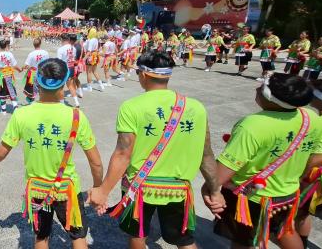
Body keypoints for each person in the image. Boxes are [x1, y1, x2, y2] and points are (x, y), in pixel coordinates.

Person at [87, 51, 223, 249]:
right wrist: (215, 189)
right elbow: (207, 154)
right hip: (178, 190)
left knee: (138, 234)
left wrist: (103, 190)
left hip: (139, 187)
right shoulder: (196, 107)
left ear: (142, 74)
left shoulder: (131, 107)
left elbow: (123, 153)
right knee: (184, 240)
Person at [0, 58, 103, 249]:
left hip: (37, 189)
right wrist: (98, 186)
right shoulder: (76, 116)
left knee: (41, 237)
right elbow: (96, 162)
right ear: (66, 82)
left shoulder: (21, 114)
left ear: (36, 82)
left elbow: (2, 150)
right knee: (78, 236)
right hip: (67, 190)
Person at [209, 73, 322, 249]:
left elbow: (220, 175)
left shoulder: (253, 125)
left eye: (262, 87)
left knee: (244, 241)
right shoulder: (311, 117)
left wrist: (209, 189)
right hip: (288, 193)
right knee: (286, 231)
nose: (256, 89)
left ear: (272, 98)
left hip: (252, 199)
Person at [296, 78, 322, 248]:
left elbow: (320, 157)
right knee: (306, 211)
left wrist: (300, 176)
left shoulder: (321, 123)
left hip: (318, 176)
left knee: (300, 211)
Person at [0, 39, 22, 114]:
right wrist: (19, 70)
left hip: (0, 75)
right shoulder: (10, 54)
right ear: (6, 46)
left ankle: (4, 111)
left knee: (1, 92)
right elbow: (14, 65)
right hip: (8, 74)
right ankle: (15, 107)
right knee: (11, 90)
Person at [22, 38, 49, 104]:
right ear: (40, 44)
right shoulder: (45, 53)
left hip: (34, 73)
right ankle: (42, 102)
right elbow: (48, 63)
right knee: (42, 88)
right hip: (43, 72)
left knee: (33, 89)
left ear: (33, 44)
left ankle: (32, 103)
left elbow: (26, 65)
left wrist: (23, 68)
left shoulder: (31, 54)